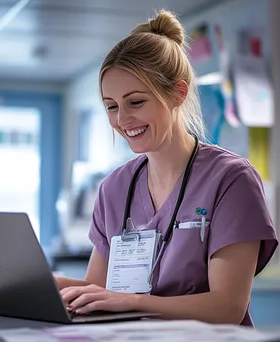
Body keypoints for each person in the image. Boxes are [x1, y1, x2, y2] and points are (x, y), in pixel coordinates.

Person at [56, 9, 279, 326]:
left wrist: (132, 303)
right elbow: (100, 289)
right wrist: (50, 286)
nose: (122, 120)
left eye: (136, 102)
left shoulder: (230, 180)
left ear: (178, 92)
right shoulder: (114, 189)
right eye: (111, 107)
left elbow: (227, 306)